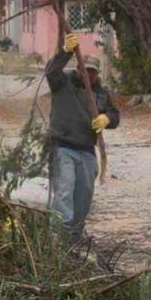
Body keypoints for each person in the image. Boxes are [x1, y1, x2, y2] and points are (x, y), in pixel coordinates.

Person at [45, 33, 120, 243]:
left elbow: (116, 115)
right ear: (77, 68)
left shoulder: (101, 93)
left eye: (92, 72)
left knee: (84, 197)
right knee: (64, 193)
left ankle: (75, 239)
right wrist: (64, 52)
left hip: (87, 150)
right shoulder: (63, 83)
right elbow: (50, 72)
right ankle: (60, 239)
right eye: (84, 70)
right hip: (62, 148)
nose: (88, 74)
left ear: (96, 74)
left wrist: (107, 118)